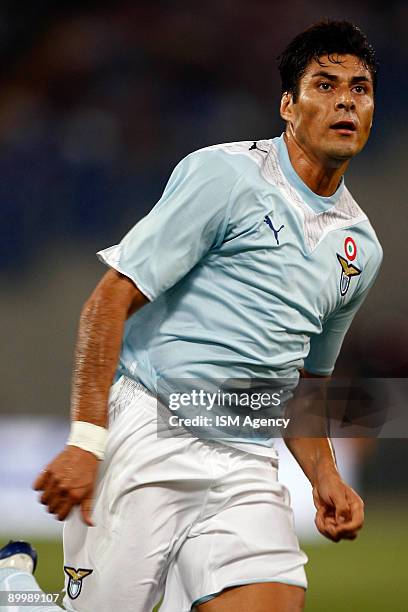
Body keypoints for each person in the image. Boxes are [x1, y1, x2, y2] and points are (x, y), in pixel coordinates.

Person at [0, 19, 382, 612]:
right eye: (325, 85)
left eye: (359, 88)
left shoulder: (361, 247)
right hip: (152, 433)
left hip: (249, 461)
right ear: (288, 104)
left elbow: (308, 380)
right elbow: (107, 301)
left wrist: (325, 475)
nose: (344, 101)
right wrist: (85, 441)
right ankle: (16, 589)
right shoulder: (225, 176)